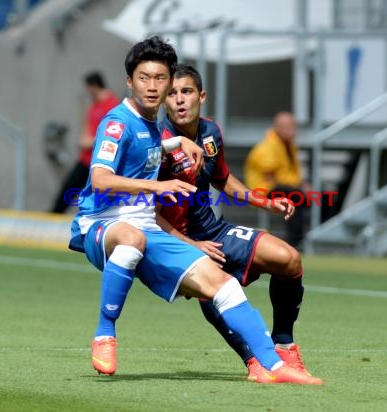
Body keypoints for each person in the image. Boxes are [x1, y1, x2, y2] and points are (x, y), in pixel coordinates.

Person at [68, 36, 321, 385]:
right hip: (104, 223)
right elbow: (99, 178)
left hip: (154, 229)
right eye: (144, 78)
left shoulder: (164, 125)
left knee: (223, 284)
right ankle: (104, 334)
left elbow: (185, 160)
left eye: (161, 79)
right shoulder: (117, 122)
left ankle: (275, 367)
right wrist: (160, 187)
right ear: (130, 81)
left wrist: (176, 142)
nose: (154, 87)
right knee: (131, 238)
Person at [157, 64, 323, 384]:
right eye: (172, 94)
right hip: (173, 241)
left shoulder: (210, 133)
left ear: (201, 96)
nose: (179, 100)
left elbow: (223, 179)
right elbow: (146, 212)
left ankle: (284, 344)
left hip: (213, 230)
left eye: (186, 92)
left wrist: (265, 200)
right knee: (213, 287)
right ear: (163, 101)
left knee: (288, 259)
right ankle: (254, 361)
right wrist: (191, 245)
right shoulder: (156, 145)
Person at [49, 71, 119, 214]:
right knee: (68, 189)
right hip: (85, 159)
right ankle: (52, 216)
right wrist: (84, 138)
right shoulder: (94, 105)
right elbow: (88, 125)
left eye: (88, 87)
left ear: (94, 86)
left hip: (98, 160)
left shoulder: (111, 105)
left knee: (98, 195)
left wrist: (91, 142)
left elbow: (114, 134)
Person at [244, 111, 310, 248]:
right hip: (263, 190)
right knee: (295, 196)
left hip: (283, 187)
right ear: (278, 127)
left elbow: (291, 174)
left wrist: (303, 186)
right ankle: (294, 242)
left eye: (294, 125)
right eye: (290, 126)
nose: (294, 130)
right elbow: (272, 178)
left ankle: (303, 237)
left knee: (325, 199)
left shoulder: (290, 146)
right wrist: (299, 188)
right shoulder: (267, 147)